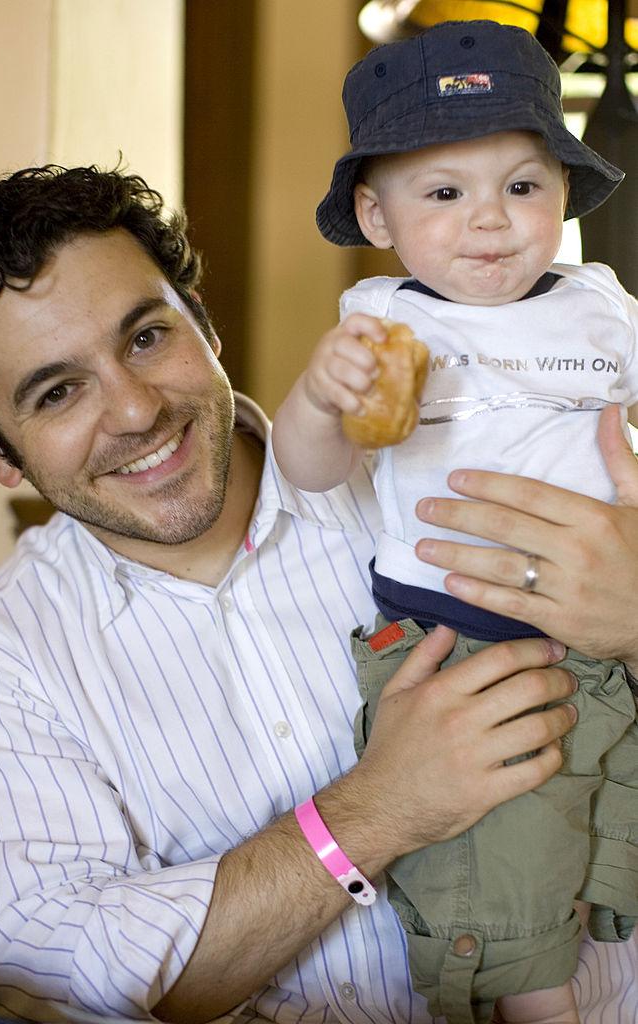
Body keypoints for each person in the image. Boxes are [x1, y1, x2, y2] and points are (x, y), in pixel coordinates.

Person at [0, 165, 631, 1024]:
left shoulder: (454, 463)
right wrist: (375, 810)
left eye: (145, 337)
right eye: (57, 392)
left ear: (204, 324)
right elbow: (43, 978)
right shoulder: (1, 656)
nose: (132, 410)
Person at [272, 19, 638, 1024]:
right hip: (460, 640)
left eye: (520, 185)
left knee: (599, 837)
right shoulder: (385, 327)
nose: (489, 220)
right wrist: (315, 399)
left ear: (563, 194)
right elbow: (309, 473)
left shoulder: (602, 307)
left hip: (610, 633)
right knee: (512, 879)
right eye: (443, 192)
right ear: (374, 213)